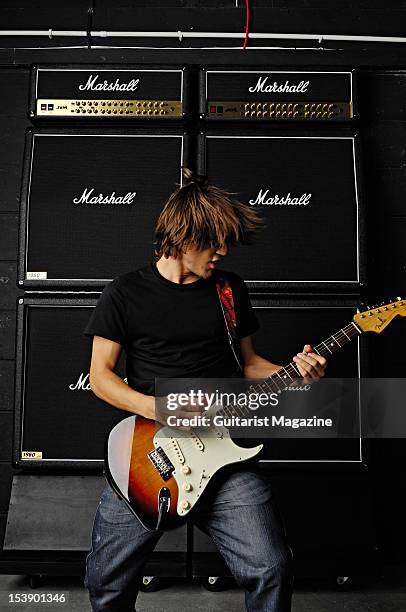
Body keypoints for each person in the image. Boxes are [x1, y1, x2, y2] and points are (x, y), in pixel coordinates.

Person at [83, 167, 327, 611]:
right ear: (181, 236)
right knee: (107, 581)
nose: (223, 250)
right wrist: (158, 408)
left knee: (271, 567)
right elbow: (100, 376)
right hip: (149, 455)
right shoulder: (124, 293)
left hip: (227, 452)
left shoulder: (229, 290)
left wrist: (297, 371)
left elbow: (251, 365)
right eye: (213, 240)